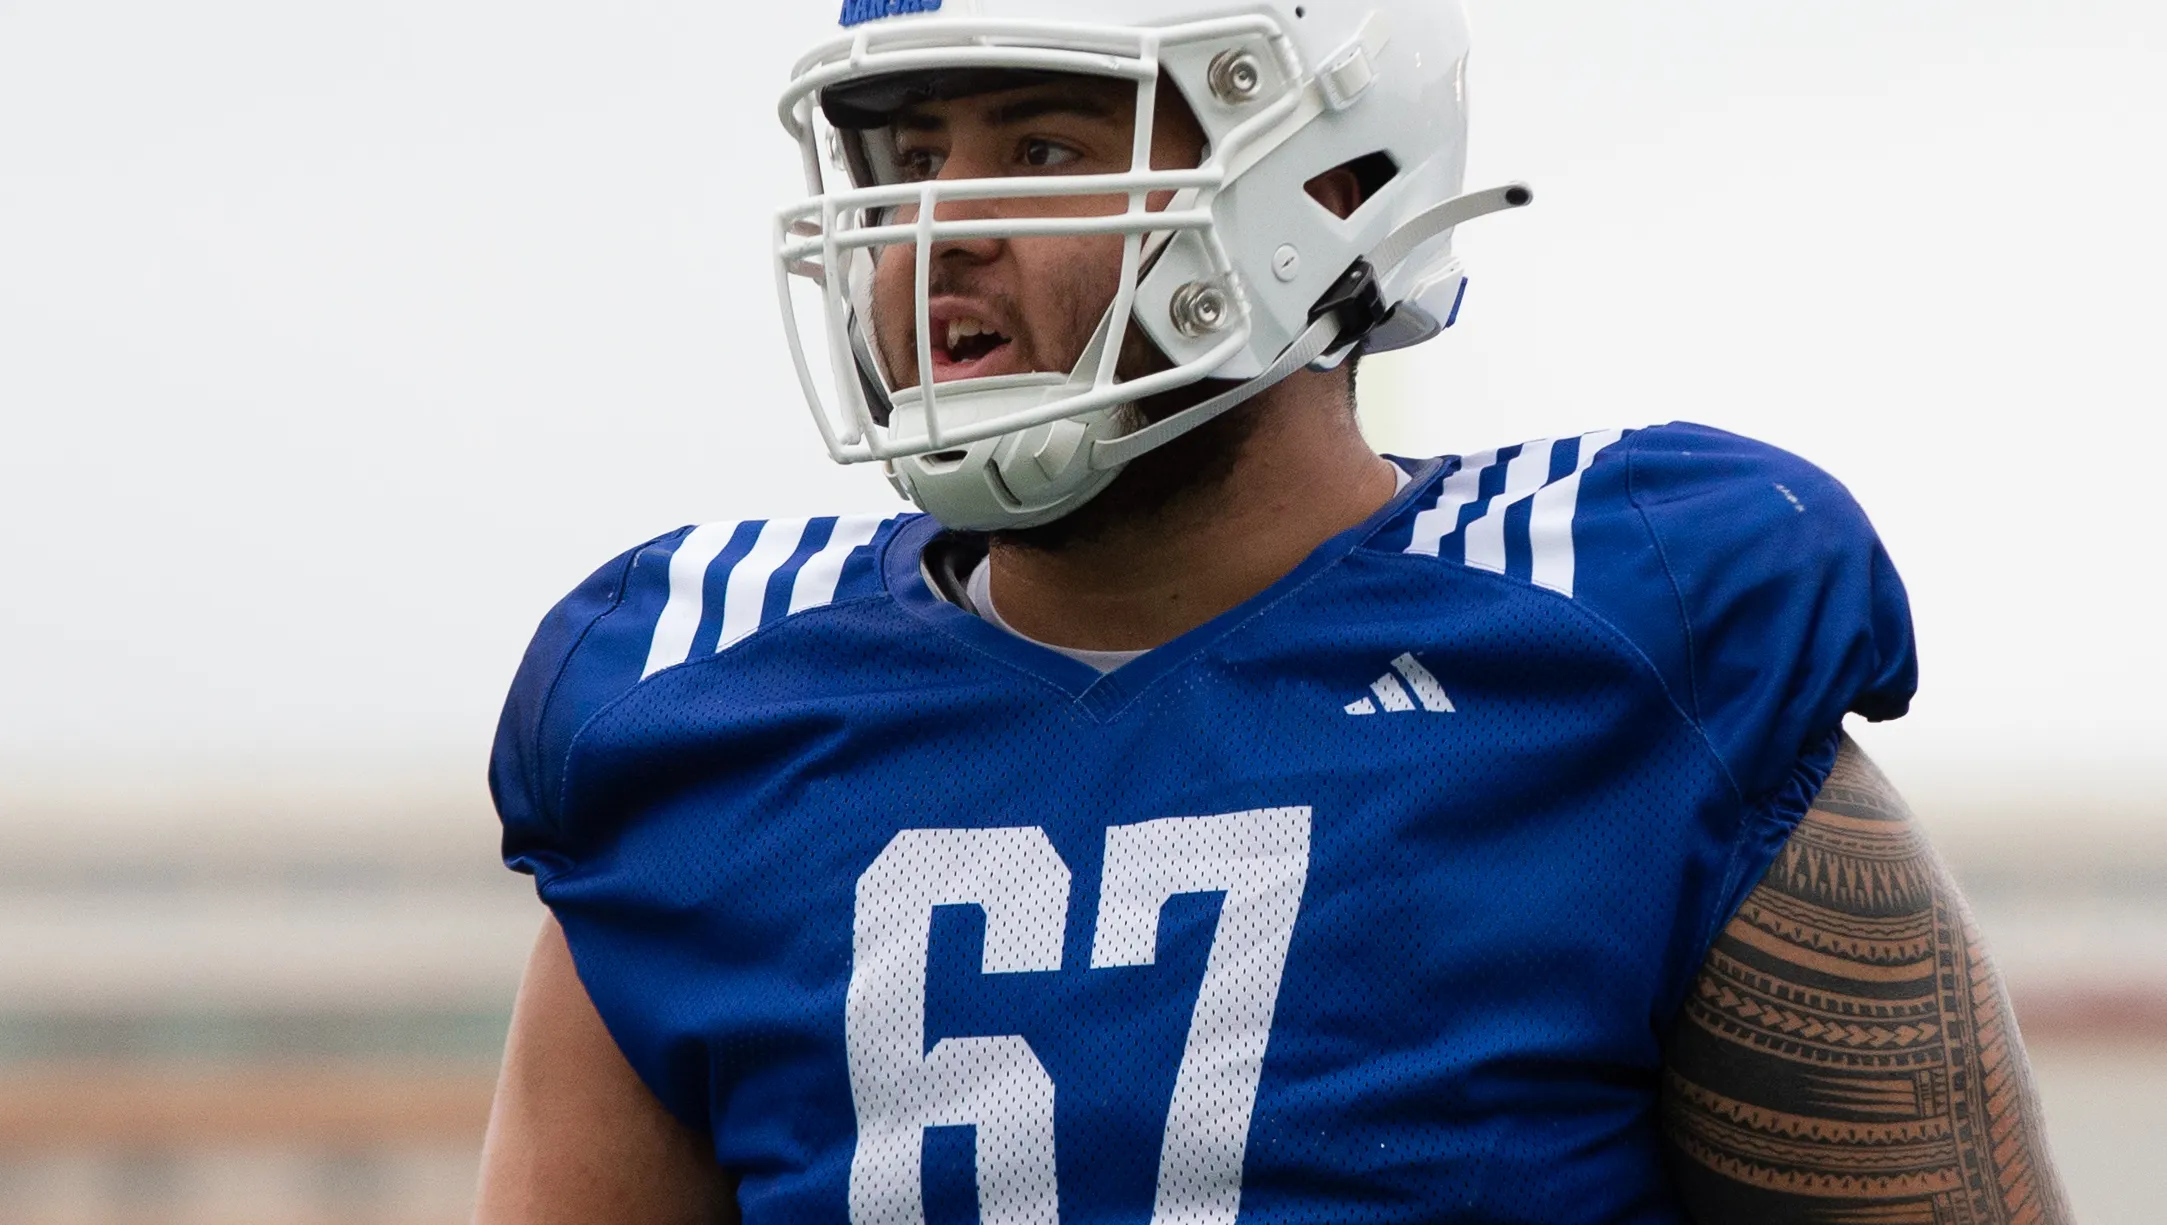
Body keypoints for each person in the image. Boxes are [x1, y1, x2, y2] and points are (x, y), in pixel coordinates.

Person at [475, 2, 2071, 1222]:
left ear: (1331, 185)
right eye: (903, 162)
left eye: (1043, 150)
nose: (937, 233)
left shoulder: (1618, 649)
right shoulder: (688, 709)